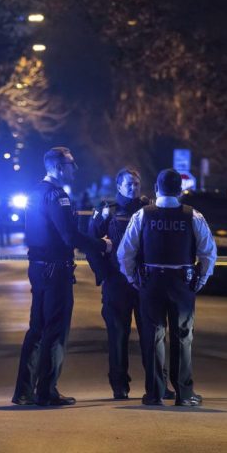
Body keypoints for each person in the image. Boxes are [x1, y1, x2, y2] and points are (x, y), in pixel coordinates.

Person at [12, 147, 112, 406]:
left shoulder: (34, 192)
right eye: (70, 163)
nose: (74, 168)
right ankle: (47, 391)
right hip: (56, 269)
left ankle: (23, 391)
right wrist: (102, 245)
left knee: (36, 329)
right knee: (55, 331)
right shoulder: (58, 196)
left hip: (38, 266)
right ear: (57, 167)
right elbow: (70, 237)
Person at [117, 168, 217, 406]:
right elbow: (208, 253)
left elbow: (125, 252)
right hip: (182, 282)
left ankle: (154, 393)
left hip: (151, 282)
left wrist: (133, 278)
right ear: (180, 190)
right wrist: (200, 280)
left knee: (153, 337)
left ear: (156, 188)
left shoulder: (143, 215)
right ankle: (184, 393)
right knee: (182, 337)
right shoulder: (194, 216)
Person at [87, 167, 169, 400]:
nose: (133, 187)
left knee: (152, 336)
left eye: (136, 183)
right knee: (118, 336)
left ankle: (157, 384)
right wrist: (105, 274)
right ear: (119, 186)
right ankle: (119, 385)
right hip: (117, 284)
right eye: (129, 184)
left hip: (144, 284)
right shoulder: (107, 211)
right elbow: (92, 246)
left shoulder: (150, 210)